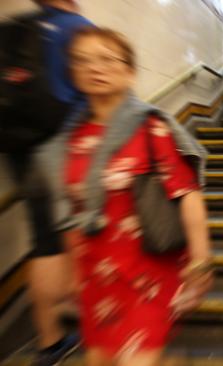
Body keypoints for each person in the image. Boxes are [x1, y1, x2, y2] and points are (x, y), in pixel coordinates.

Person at [45, 27, 213, 365]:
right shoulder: (70, 141)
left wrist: (201, 258)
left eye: (106, 59)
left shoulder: (153, 129)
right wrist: (69, 272)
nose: (95, 68)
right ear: (73, 73)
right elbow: (70, 213)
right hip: (95, 276)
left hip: (147, 272)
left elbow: (187, 194)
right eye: (83, 61)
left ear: (129, 71)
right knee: (99, 359)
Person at [2, 1, 92, 364]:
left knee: (44, 244)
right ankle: (96, 321)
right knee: (82, 234)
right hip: (66, 151)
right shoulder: (76, 27)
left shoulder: (17, 28)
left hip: (22, 152)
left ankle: (49, 340)